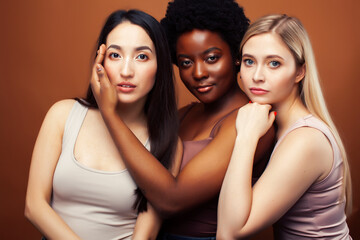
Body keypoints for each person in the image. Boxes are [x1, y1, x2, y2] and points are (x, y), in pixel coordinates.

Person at [91, 0, 274, 239]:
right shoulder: (184, 114)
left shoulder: (252, 121)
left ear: (236, 56)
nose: (198, 73)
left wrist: (110, 114)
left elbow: (172, 200)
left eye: (211, 58)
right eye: (186, 62)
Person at [24, 9, 182, 240]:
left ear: (159, 68)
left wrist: (109, 113)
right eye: (115, 55)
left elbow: (144, 235)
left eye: (142, 57)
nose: (126, 71)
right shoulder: (63, 114)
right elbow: (34, 206)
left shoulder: (167, 143)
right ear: (100, 61)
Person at [217, 14, 352, 239]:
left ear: (300, 71)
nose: (257, 76)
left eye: (274, 63)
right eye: (249, 61)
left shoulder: (306, 140)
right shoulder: (274, 125)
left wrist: (246, 137)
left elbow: (229, 233)